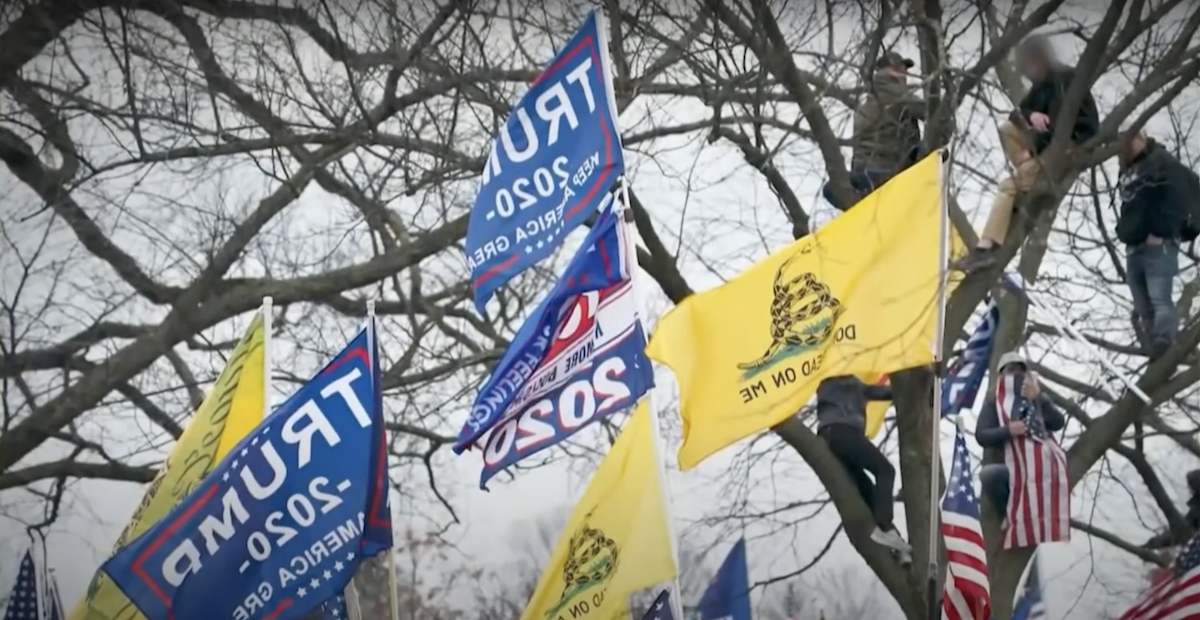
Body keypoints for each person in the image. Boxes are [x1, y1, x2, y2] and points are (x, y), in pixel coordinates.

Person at [954, 35, 1100, 272]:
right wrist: (1032, 116)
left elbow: (1063, 128)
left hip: (1067, 148)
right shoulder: (1041, 85)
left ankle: (985, 249)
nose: (1028, 72)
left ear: (1039, 58)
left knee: (1007, 186)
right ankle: (1026, 177)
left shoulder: (1064, 80)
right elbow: (1016, 114)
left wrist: (1038, 145)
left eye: (1029, 64)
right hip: (1044, 148)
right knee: (1007, 129)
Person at [815, 375, 912, 558]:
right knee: (885, 470)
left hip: (831, 437)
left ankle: (895, 546)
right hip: (843, 432)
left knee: (867, 489)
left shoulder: (845, 385)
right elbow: (882, 391)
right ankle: (885, 526)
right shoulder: (842, 381)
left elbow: (888, 392)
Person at [1116, 131, 1192, 358]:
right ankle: (1155, 349)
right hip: (1135, 246)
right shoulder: (1128, 171)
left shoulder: (1162, 162)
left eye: (1130, 143)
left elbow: (1176, 199)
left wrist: (1162, 231)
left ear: (1141, 138)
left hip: (1159, 244)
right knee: (1143, 307)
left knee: (1160, 299)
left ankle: (1164, 340)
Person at [821, 51, 925, 211]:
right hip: (886, 174)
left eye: (905, 70)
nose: (904, 75)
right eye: (898, 69)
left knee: (830, 189)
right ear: (885, 72)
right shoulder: (897, 94)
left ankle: (862, 204)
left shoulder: (866, 103)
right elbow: (932, 113)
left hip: (862, 172)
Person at [974, 351, 1066, 529]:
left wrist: (1039, 399)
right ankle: (1009, 515)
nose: (1016, 374)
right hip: (1011, 469)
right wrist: (1008, 430)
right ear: (1001, 375)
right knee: (989, 475)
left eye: (1020, 370)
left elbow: (1058, 422)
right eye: (1010, 370)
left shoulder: (1037, 397)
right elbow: (982, 435)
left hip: (1042, 465)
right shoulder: (994, 403)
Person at [1141, 469, 1200, 550]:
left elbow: (1180, 531)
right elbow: (1179, 530)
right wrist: (1152, 544)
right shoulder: (1195, 510)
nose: (1188, 489)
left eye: (1190, 487)